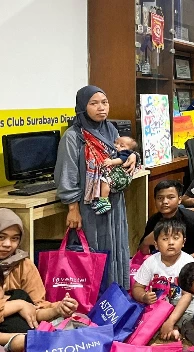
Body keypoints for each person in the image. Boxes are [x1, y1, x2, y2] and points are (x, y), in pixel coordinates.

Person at [55, 85, 136, 288]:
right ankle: (95, 298)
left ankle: (116, 294)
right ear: (82, 106)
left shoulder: (111, 130)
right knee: (94, 250)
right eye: (94, 103)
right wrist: (73, 209)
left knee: (116, 245)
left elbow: (121, 153)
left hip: (113, 201)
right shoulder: (74, 137)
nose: (101, 108)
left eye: (104, 102)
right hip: (90, 206)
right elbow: (67, 173)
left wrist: (133, 155)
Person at [0, 209, 78, 352]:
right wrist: (17, 305)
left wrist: (58, 308)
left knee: (79, 321)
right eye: (1, 237)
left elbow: (37, 306)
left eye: (15, 239)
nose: (8, 244)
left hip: (28, 330)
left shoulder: (24, 265)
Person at [0, 263, 77, 352]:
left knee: (75, 319)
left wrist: (56, 310)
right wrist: (24, 337)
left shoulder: (18, 294)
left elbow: (36, 314)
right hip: (13, 340)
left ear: (3, 285)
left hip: (37, 332)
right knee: (19, 342)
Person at [131, 219, 194, 341]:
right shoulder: (150, 261)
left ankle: (174, 327)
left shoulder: (188, 262)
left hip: (182, 304)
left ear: (183, 242)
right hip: (159, 304)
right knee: (141, 312)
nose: (171, 243)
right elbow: (137, 288)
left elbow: (187, 296)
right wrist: (144, 296)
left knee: (193, 311)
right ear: (155, 244)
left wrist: (171, 321)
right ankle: (166, 327)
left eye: (176, 238)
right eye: (165, 239)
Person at [138, 180, 194, 258]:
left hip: (191, 264)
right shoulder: (153, 220)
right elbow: (142, 253)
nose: (165, 202)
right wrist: (146, 242)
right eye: (160, 198)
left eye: (170, 197)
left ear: (179, 199)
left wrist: (182, 261)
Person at [95, 135, 139, 214]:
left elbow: (122, 159)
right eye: (116, 143)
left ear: (130, 150)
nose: (116, 146)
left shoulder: (125, 153)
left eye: (121, 145)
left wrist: (111, 162)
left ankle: (104, 200)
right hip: (118, 178)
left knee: (105, 181)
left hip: (121, 176)